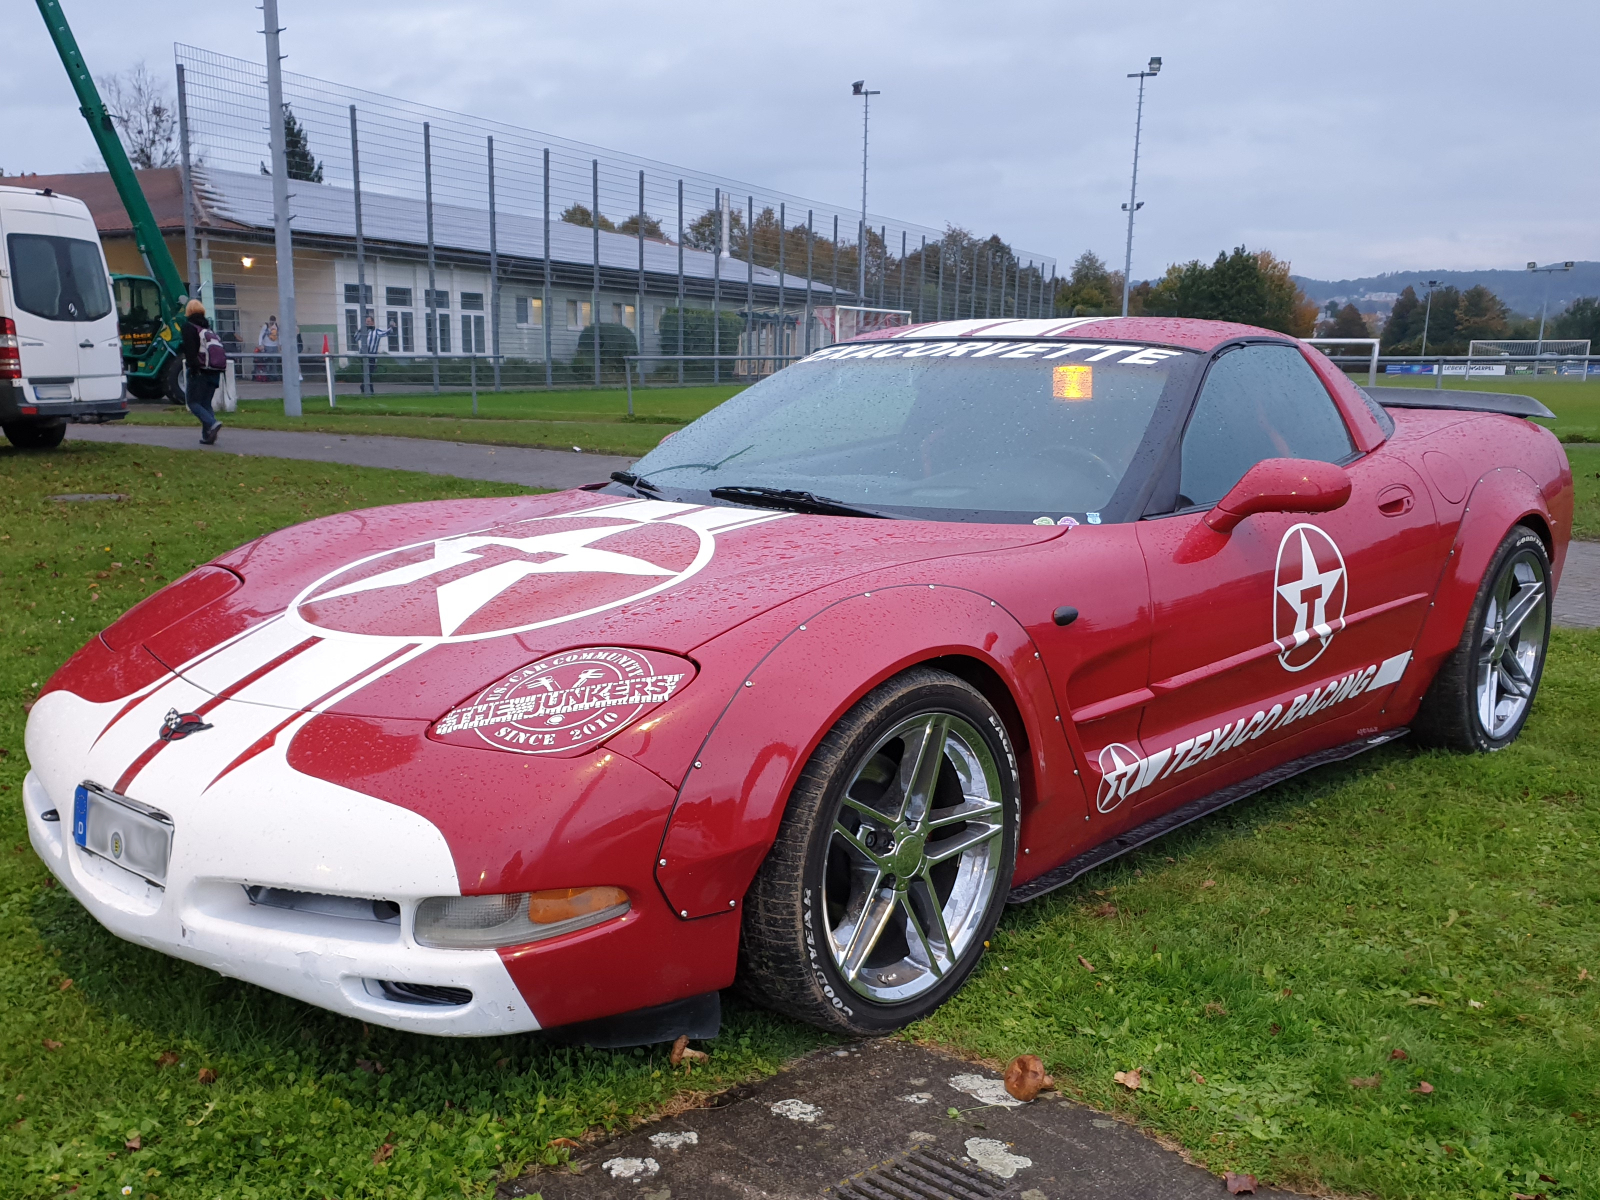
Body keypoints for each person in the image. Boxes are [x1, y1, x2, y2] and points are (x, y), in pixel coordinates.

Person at [181, 299, 224, 445]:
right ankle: (208, 436)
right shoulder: (207, 328)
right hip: (215, 371)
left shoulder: (189, 327)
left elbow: (190, 352)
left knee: (193, 402)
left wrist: (193, 370)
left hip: (200, 371)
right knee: (205, 404)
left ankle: (212, 423)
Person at [358, 313, 385, 394]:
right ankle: (368, 390)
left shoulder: (376, 332)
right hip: (362, 356)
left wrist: (391, 327)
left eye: (369, 321)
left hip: (372, 355)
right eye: (366, 321)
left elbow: (385, 333)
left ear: (372, 322)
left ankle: (365, 388)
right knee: (366, 373)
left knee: (369, 374)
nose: (367, 323)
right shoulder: (364, 331)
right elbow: (356, 338)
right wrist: (359, 330)